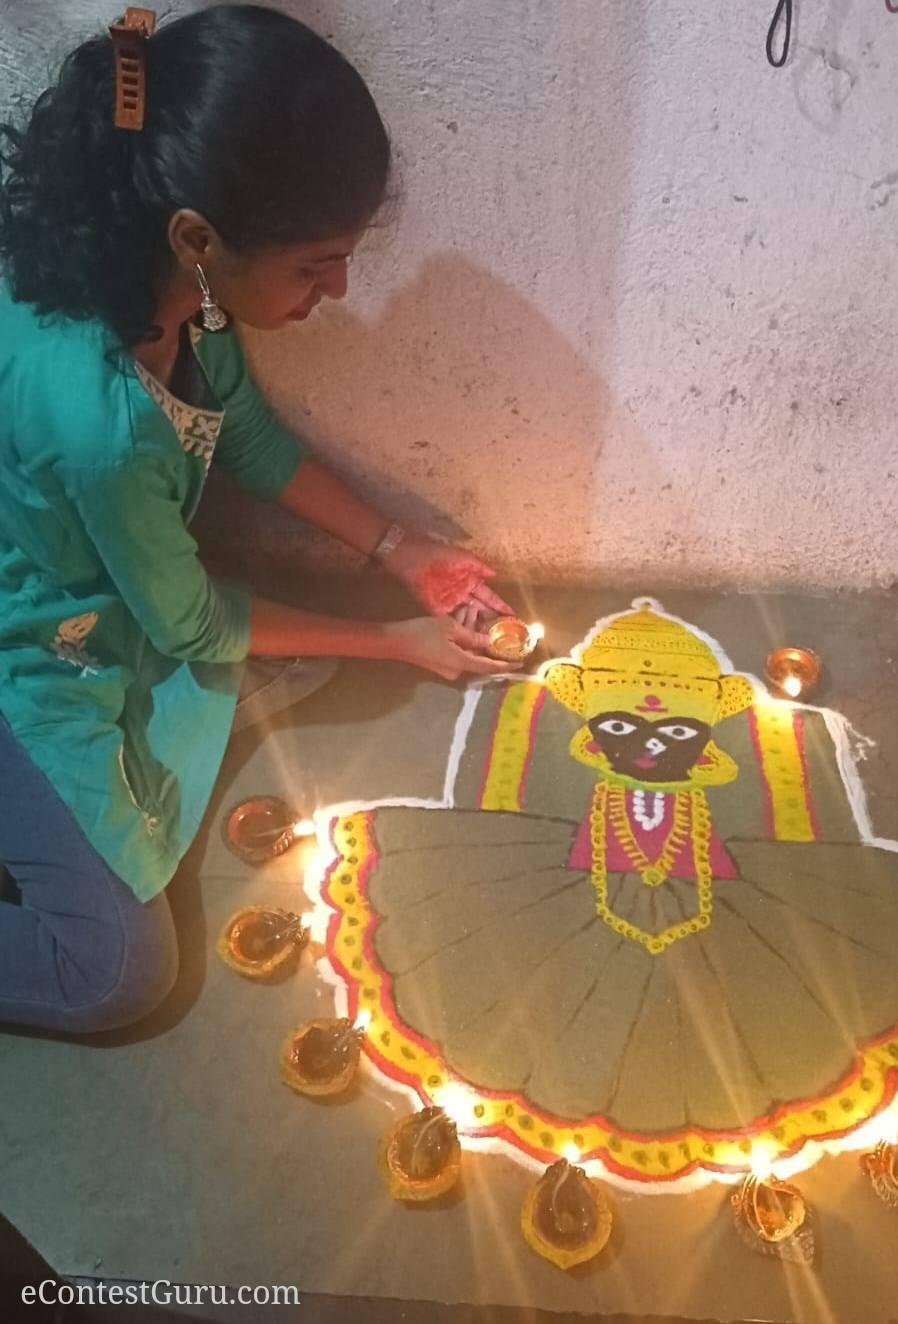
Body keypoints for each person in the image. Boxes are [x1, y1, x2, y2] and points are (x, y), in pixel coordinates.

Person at [0, 4, 514, 1035]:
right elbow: (189, 624)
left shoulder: (182, 291)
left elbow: (243, 435)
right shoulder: (95, 415)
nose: (339, 289)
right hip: (33, 644)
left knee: (240, 678)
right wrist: (392, 642)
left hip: (113, 594)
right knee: (115, 971)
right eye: (316, 264)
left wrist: (401, 551)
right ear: (198, 237)